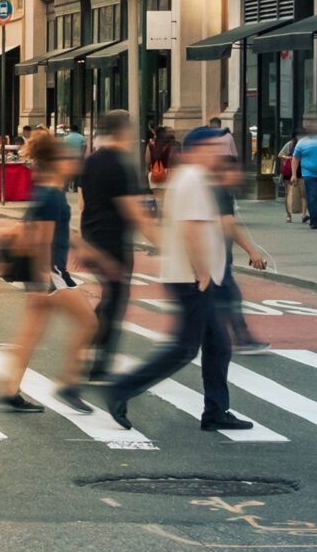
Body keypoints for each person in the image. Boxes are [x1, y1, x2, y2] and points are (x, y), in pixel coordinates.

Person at [94, 127, 252, 434]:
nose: (218, 153)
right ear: (195, 150)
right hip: (193, 277)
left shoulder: (194, 179)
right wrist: (203, 271)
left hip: (198, 276)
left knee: (219, 344)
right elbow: (192, 229)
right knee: (184, 349)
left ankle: (217, 410)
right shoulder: (192, 179)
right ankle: (121, 389)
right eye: (212, 147)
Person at [0, 135, 97, 413]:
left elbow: (51, 231)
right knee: (89, 323)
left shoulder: (47, 193)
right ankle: (69, 384)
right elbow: (42, 241)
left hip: (45, 276)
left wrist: (85, 250)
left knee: (30, 335)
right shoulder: (52, 196)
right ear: (57, 162)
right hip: (51, 275)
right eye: (68, 159)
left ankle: (9, 389)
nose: (73, 163)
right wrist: (41, 284)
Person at [73, 110, 152, 384]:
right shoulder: (121, 165)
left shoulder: (91, 162)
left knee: (110, 297)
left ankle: (89, 351)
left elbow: (82, 204)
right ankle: (97, 361)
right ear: (125, 131)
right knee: (115, 299)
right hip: (113, 242)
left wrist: (84, 242)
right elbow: (133, 213)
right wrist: (163, 242)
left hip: (92, 236)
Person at [207, 153, 273, 355]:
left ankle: (235, 337)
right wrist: (252, 252)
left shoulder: (218, 191)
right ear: (223, 173)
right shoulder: (221, 193)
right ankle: (242, 338)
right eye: (233, 171)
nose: (238, 175)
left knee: (221, 299)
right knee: (230, 296)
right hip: (215, 258)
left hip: (215, 257)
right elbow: (229, 226)